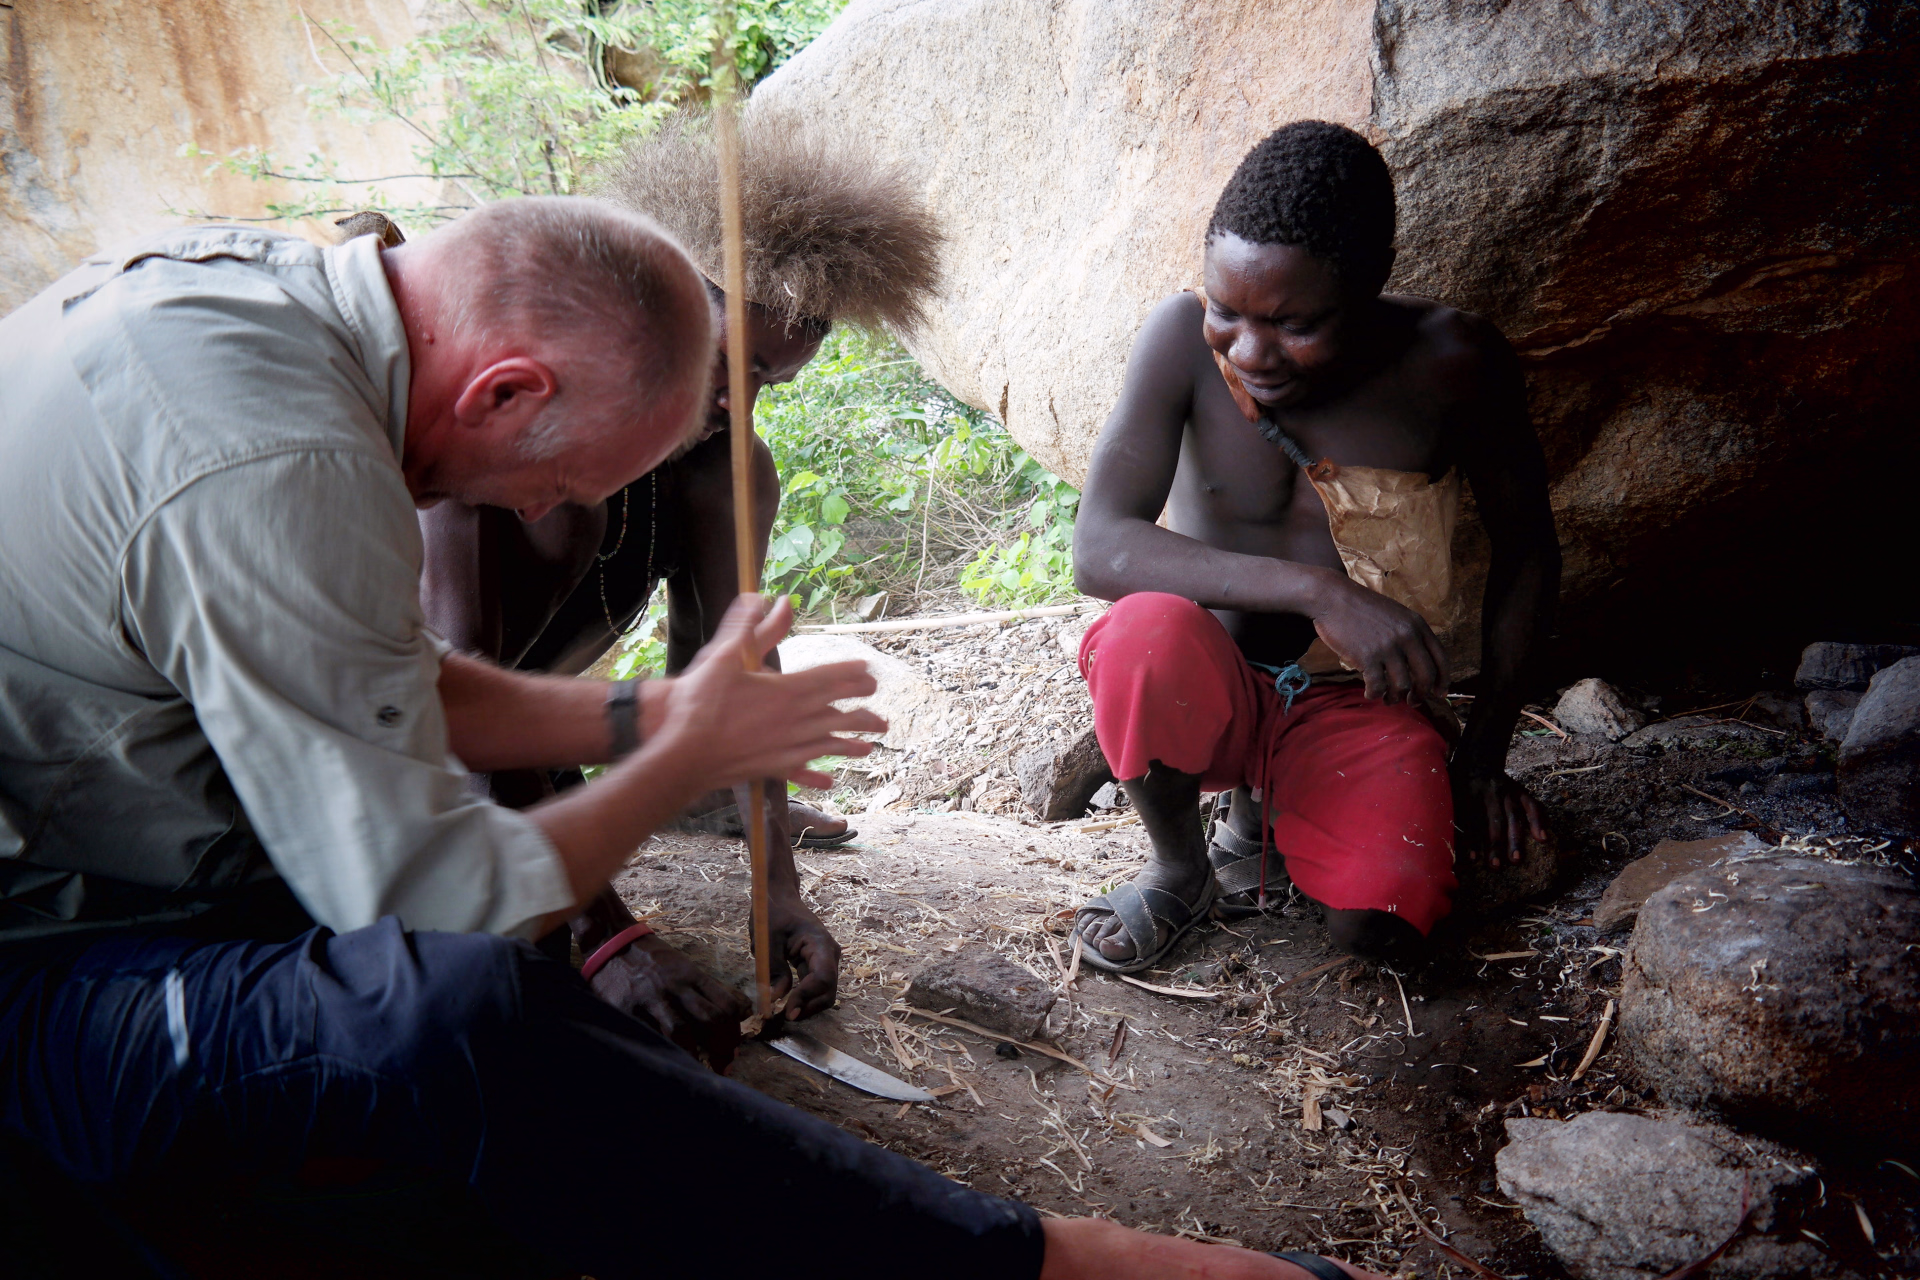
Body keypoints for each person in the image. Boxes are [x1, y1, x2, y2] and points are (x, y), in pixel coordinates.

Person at [0, 197, 1378, 1280]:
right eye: (560, 475)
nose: (555, 501)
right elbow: (421, 893)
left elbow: (388, 674)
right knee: (448, 1009)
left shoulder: (270, 309)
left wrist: (649, 713)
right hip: (46, 962)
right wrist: (671, 776)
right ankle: (1047, 1264)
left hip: (119, 868)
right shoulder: (283, 465)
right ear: (504, 392)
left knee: (506, 1139)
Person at [416, 108, 945, 1052]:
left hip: (541, 745)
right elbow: (449, 714)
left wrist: (774, 894)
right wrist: (607, 939)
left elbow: (735, 677)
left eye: (765, 382)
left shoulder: (723, 470)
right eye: (717, 363)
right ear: (652, 308)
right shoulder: (504, 441)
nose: (730, 404)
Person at [1069, 121, 1561, 972]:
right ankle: (1182, 867)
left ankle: (1281, 814)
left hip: (1359, 703)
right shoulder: (1179, 343)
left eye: (1294, 323)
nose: (1250, 350)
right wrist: (1320, 590)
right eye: (1228, 310)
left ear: (1367, 288)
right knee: (1144, 632)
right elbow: (1099, 548)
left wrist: (1484, 757)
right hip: (1211, 682)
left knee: (1383, 930)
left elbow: (1530, 552)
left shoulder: (1452, 364)